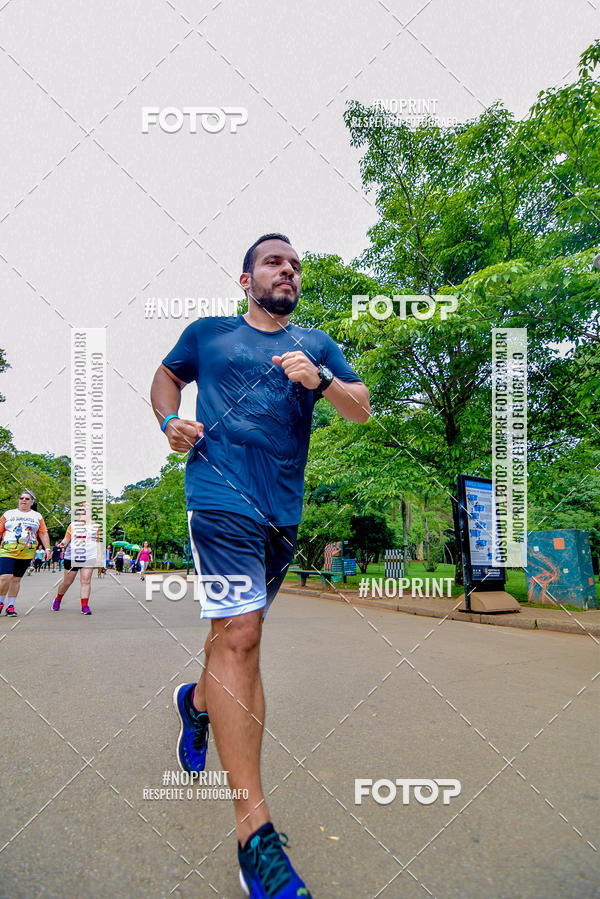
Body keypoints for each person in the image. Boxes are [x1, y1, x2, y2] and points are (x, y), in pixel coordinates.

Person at [151, 233, 370, 897]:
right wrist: (169, 422)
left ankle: (196, 703)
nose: (289, 271)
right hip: (219, 497)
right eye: (275, 262)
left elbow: (361, 408)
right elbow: (166, 377)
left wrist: (320, 379)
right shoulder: (209, 334)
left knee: (231, 634)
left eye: (295, 265)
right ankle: (255, 838)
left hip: (282, 513)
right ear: (246, 280)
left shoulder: (316, 344)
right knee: (242, 634)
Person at [0, 491, 51, 615]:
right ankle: (0, 602)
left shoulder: (37, 516)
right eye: (21, 498)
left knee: (16, 579)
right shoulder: (8, 514)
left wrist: (47, 549)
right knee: (5, 577)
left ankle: (10, 606)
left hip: (26, 552)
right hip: (7, 550)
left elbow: (43, 533)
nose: (23, 500)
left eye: (27, 499)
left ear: (32, 502)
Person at [52, 506, 101, 615]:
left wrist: (99, 557)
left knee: (86, 581)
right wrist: (63, 543)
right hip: (72, 557)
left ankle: (85, 606)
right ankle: (58, 599)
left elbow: (97, 542)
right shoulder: (73, 525)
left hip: (88, 556)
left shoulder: (96, 526)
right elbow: (66, 539)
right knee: (67, 582)